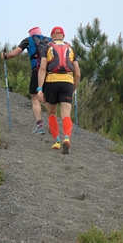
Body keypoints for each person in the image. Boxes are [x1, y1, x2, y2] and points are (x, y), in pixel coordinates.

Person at [37, 26, 81, 154]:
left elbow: (43, 68)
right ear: (63, 36)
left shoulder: (47, 47)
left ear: (52, 36)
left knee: (51, 113)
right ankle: (66, 138)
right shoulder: (71, 48)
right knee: (66, 114)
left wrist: (40, 88)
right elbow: (77, 73)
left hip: (51, 81)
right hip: (67, 82)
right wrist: (73, 88)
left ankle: (56, 141)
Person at [1, 26, 50, 135]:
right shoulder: (49, 40)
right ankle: (52, 126)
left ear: (31, 34)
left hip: (37, 71)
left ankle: (40, 126)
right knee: (47, 99)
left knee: (35, 98)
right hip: (49, 72)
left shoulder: (28, 40)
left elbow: (14, 53)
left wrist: (5, 56)